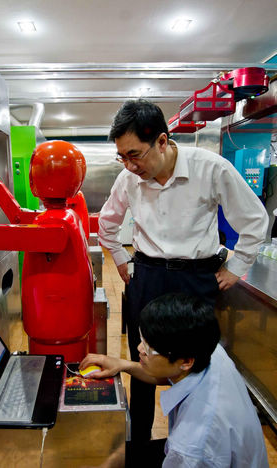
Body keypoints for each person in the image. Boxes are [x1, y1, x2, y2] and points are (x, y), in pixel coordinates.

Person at [98, 99, 269, 444]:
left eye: (135, 155)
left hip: (195, 279)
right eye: (123, 157)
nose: (130, 166)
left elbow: (254, 220)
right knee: (143, 359)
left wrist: (237, 266)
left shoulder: (210, 168)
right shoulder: (128, 179)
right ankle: (141, 443)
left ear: (162, 141)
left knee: (191, 365)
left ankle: (192, 442)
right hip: (146, 276)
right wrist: (119, 258)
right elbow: (107, 223)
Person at [80, 293, 269, 468]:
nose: (139, 348)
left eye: (148, 347)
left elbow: (188, 453)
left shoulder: (190, 447)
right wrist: (124, 365)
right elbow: (167, 373)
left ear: (186, 361)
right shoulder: (206, 348)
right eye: (143, 339)